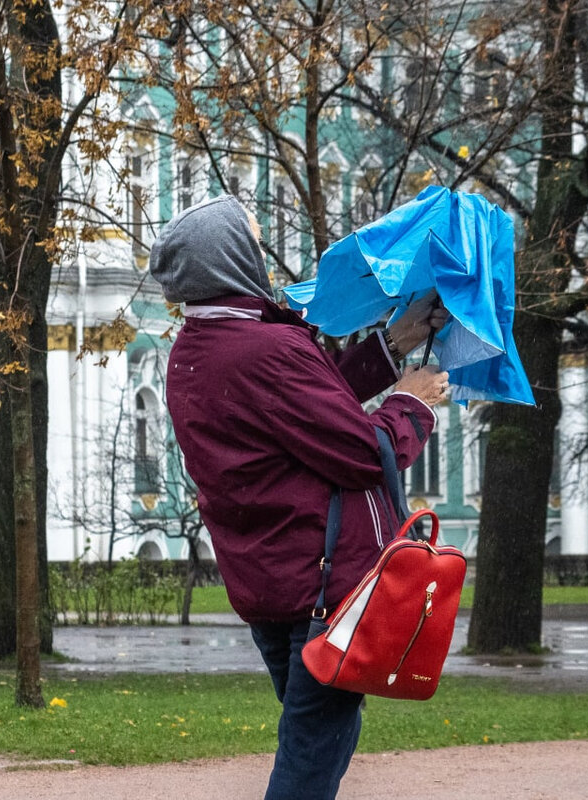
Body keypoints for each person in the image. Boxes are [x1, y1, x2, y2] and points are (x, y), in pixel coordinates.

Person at [148, 195, 449, 800]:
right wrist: (411, 403)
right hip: (322, 586)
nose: (261, 254)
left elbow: (306, 406)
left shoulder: (197, 350)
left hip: (274, 587)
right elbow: (361, 452)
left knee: (319, 734)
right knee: (312, 751)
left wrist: (390, 347)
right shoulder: (266, 350)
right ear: (231, 259)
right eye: (253, 244)